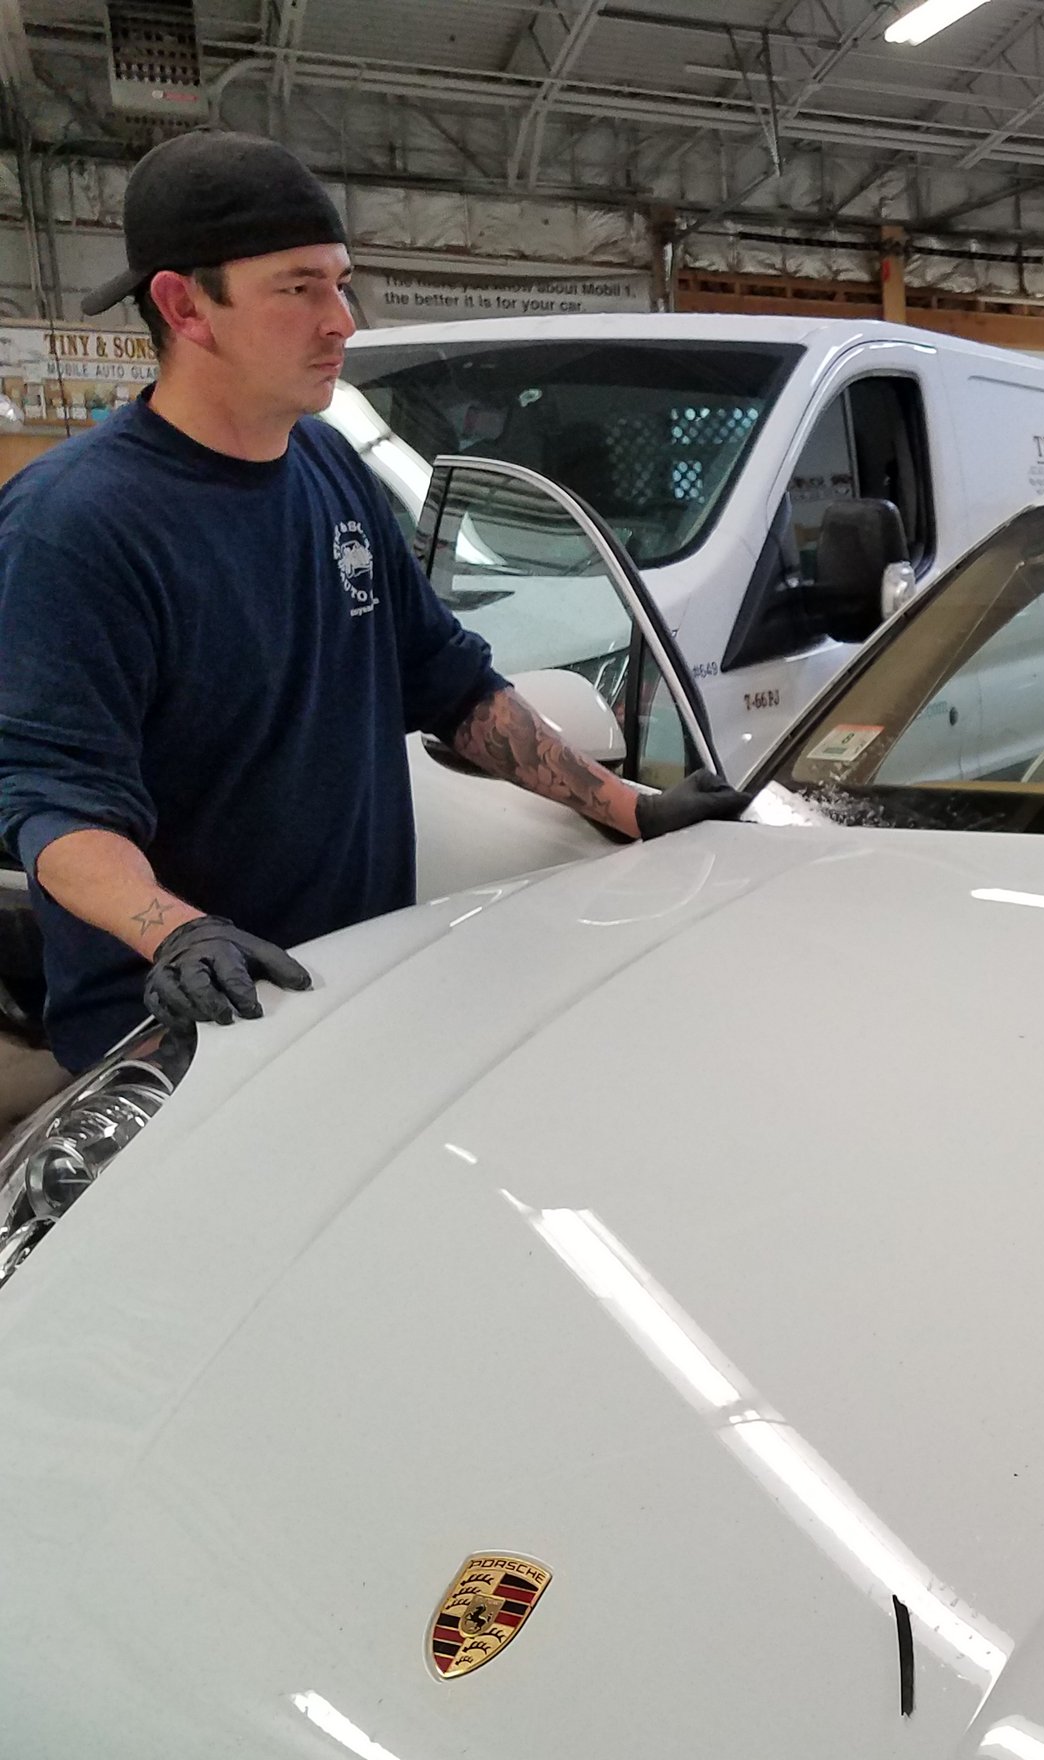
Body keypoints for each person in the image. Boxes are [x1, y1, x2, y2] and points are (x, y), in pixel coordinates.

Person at [0, 130, 751, 1075]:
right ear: (184, 304)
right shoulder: (75, 524)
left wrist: (632, 807)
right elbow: (55, 809)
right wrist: (179, 934)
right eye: (300, 287)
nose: (342, 320)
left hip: (354, 987)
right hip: (183, 1034)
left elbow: (449, 685)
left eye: (342, 282)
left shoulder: (327, 467)